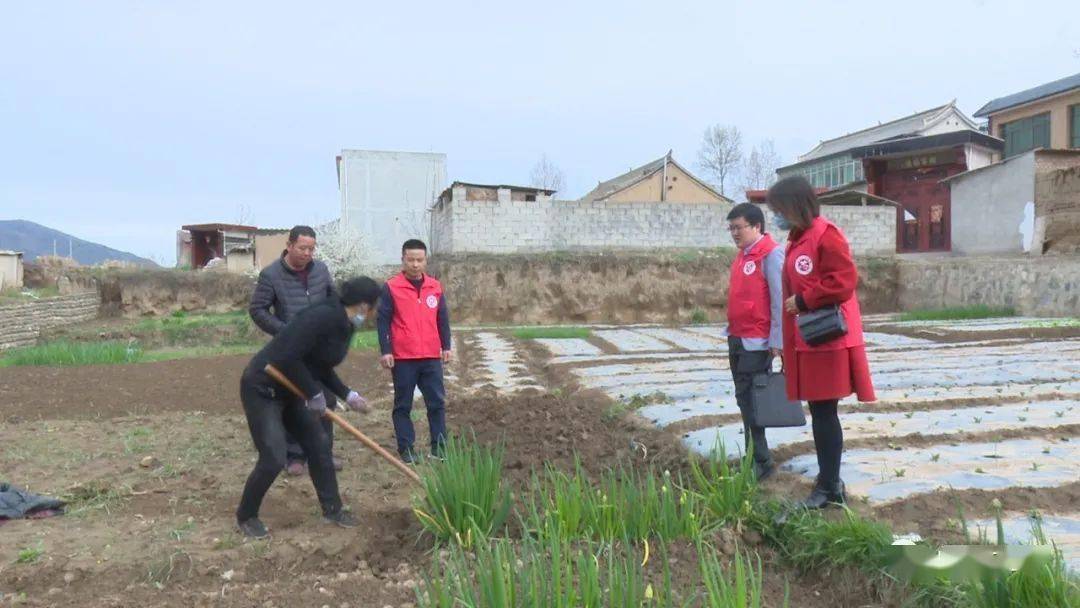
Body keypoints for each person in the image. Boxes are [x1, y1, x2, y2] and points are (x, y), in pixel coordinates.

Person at [236, 276, 380, 539]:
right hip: (264, 388)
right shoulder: (321, 317)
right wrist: (314, 394)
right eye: (373, 308)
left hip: (291, 390)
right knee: (274, 457)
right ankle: (246, 515)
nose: (373, 314)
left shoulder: (344, 325)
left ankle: (333, 510)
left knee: (318, 446)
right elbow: (287, 356)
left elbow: (319, 366)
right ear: (363, 306)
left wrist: (348, 395)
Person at [767, 176, 876, 509]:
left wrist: (803, 301)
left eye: (778, 210)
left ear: (794, 205)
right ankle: (831, 483)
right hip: (810, 339)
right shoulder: (799, 238)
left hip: (827, 340)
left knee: (824, 412)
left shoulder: (825, 235)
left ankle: (828, 485)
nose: (775, 217)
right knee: (820, 411)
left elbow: (843, 281)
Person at [249, 225, 341, 476]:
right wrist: (285, 332)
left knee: (326, 399)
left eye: (311, 249)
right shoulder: (271, 275)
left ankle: (323, 454)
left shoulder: (321, 270)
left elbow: (333, 299)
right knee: (294, 400)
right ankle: (295, 456)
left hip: (318, 351)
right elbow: (257, 310)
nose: (307, 253)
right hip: (291, 352)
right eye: (302, 248)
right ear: (289, 246)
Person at [376, 239, 451, 464]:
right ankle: (406, 448)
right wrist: (386, 350)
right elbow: (383, 321)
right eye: (411, 260)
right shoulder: (391, 287)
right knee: (403, 405)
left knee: (436, 403)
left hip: (430, 356)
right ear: (403, 260)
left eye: (420, 260)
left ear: (425, 260)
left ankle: (439, 447)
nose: (415, 265)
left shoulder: (435, 287)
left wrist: (446, 346)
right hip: (403, 358)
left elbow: (443, 319)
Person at [725, 202, 784, 481]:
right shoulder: (742, 256)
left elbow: (779, 301)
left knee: (753, 401)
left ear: (756, 226)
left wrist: (777, 340)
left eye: (739, 227)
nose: (734, 233)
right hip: (737, 337)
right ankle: (755, 456)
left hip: (757, 342)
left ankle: (761, 461)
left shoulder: (770, 255)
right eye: (731, 228)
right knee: (743, 399)